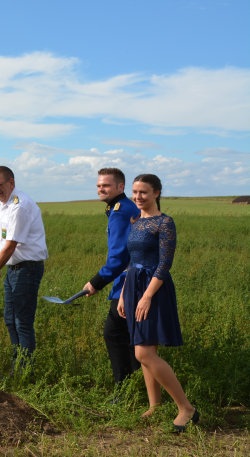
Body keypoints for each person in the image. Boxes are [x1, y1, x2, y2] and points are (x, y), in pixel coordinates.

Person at [118, 174, 199, 431]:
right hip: (133, 286)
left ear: (157, 193)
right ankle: (154, 406)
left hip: (153, 288)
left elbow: (164, 264)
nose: (138, 197)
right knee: (144, 349)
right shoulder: (135, 221)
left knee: (143, 352)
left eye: (144, 192)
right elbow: (131, 260)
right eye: (135, 192)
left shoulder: (165, 223)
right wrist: (123, 294)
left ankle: (186, 408)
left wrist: (147, 295)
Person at [0, 166, 48, 372]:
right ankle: (17, 365)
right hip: (15, 270)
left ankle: (25, 370)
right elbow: (7, 243)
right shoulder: (6, 203)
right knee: (10, 320)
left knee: (22, 322)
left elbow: (10, 248)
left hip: (27, 270)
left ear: (11, 182)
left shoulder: (20, 206)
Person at [81, 168, 141, 388]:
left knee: (114, 333)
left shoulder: (119, 211)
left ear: (120, 187)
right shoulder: (123, 208)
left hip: (128, 281)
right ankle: (135, 385)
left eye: (105, 185)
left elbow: (118, 258)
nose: (100, 189)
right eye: (98, 185)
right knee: (129, 336)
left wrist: (96, 282)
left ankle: (123, 388)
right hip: (133, 279)